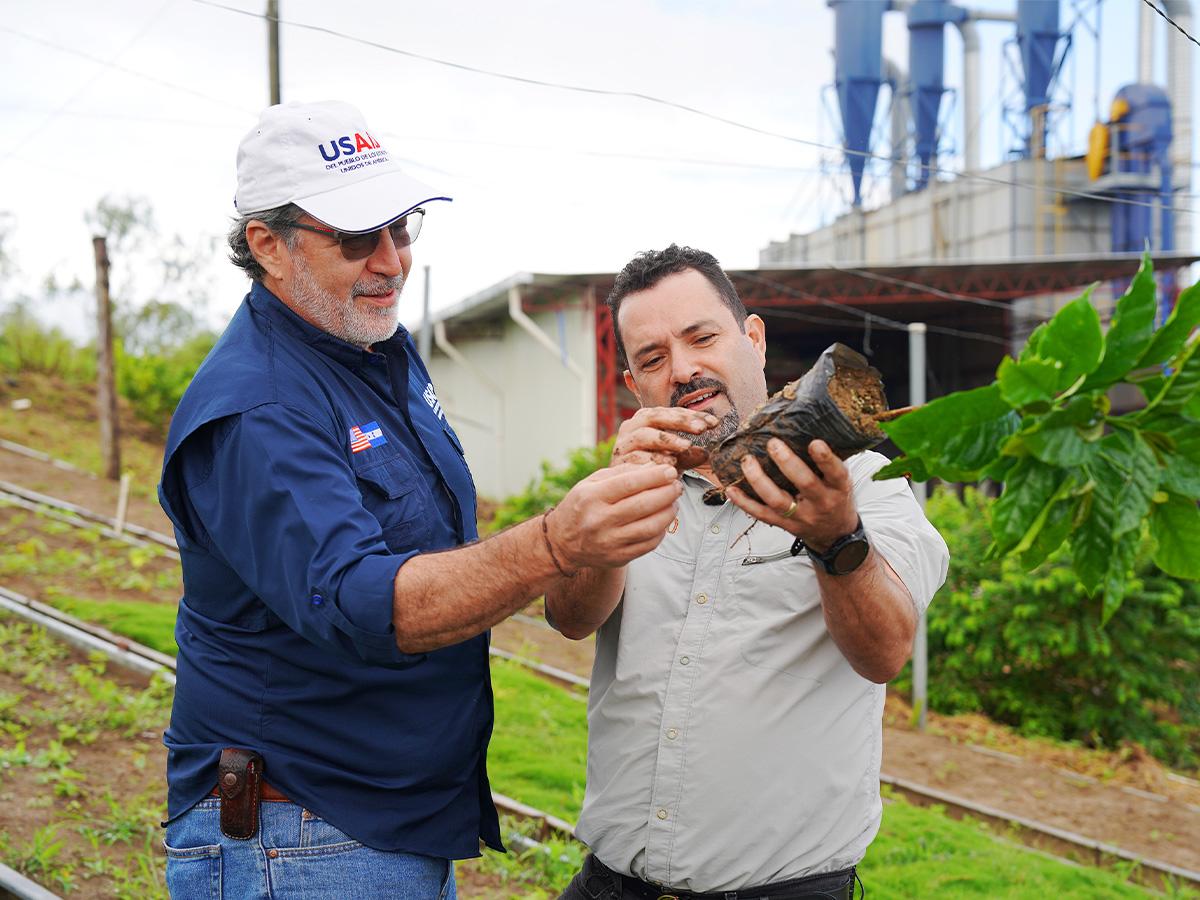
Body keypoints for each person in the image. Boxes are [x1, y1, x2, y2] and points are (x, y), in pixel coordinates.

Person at [157, 100, 689, 900]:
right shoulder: (261, 408)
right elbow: (365, 603)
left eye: (401, 228)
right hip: (301, 832)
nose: (391, 260)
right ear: (268, 245)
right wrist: (552, 545)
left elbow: (429, 538)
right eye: (356, 237)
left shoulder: (374, 351)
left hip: (374, 821)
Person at [551, 245, 950, 900]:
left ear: (753, 339)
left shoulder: (862, 485)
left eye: (701, 337)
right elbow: (569, 619)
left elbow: (885, 652)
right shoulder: (620, 488)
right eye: (653, 358)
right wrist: (613, 501)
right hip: (611, 886)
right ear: (635, 384)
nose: (683, 370)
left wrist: (835, 538)